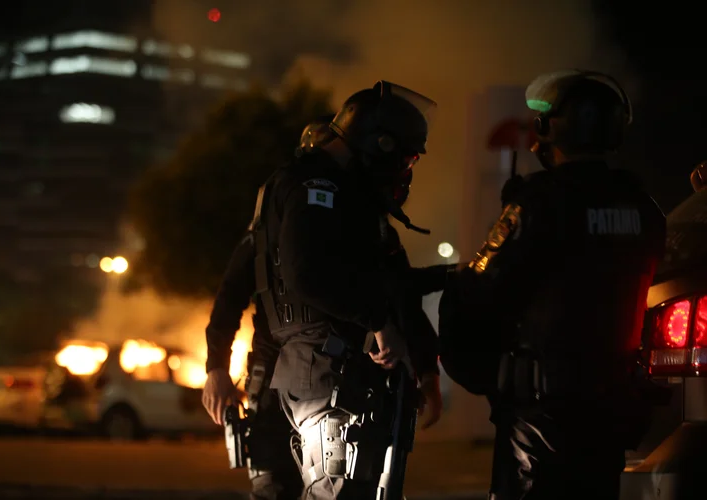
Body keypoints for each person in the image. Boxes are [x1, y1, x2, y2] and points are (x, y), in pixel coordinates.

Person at [438, 70, 666, 500]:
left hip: (542, 414)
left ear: (551, 128)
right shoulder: (642, 206)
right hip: (612, 409)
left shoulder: (538, 202)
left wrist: (477, 371)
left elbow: (478, 292)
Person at [202, 111, 445, 500]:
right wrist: (215, 367)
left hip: (281, 383)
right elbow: (245, 290)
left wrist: (425, 368)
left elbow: (400, 292)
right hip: (320, 379)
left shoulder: (336, 214)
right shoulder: (313, 206)